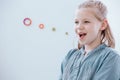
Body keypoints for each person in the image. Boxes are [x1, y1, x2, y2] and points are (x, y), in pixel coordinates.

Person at [59, 0, 120, 80]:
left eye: (86, 22)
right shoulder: (70, 56)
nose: (79, 27)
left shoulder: (111, 58)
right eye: (76, 22)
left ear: (103, 25)